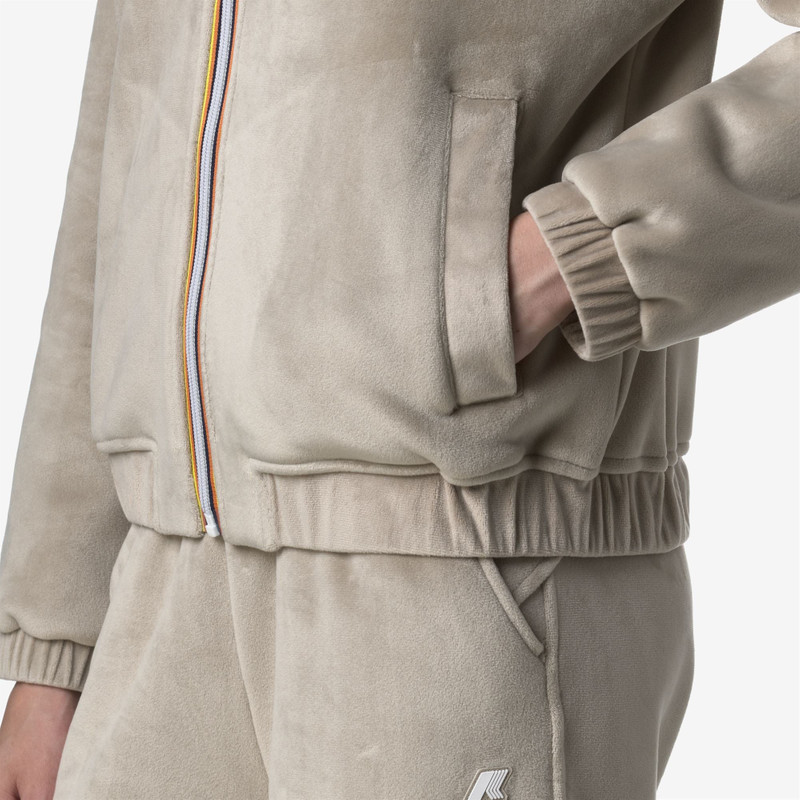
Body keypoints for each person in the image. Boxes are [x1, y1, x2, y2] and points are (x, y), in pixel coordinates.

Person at [0, 0, 798, 797]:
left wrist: (582, 250)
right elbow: (116, 149)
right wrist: (58, 647)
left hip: (462, 562)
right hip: (154, 608)